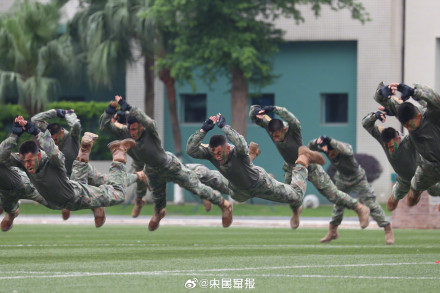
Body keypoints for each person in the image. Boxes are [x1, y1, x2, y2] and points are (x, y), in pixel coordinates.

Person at [99, 96, 233, 231]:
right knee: (158, 200)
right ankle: (159, 213)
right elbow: (104, 126)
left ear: (142, 127)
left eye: (135, 129)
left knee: (197, 187)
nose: (132, 132)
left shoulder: (150, 131)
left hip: (169, 165)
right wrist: (109, 111)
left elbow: (148, 121)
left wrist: (127, 107)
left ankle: (224, 204)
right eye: (130, 129)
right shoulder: (124, 132)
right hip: (152, 170)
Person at [186, 113, 325, 228]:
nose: (216, 157)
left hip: (260, 184)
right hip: (236, 188)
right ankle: (216, 200)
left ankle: (303, 159)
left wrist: (224, 127)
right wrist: (203, 130)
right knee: (194, 173)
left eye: (219, 153)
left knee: (296, 196)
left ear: (227, 148)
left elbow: (240, 142)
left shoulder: (237, 152)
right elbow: (191, 150)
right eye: (213, 153)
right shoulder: (211, 153)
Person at [0, 116, 137, 228]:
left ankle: (118, 154)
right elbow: (2, 156)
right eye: (24, 161)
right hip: (67, 192)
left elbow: (53, 151)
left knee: (119, 194)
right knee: (78, 180)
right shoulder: (24, 162)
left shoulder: (52, 161)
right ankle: (84, 150)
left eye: (30, 160)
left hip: (77, 196)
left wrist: (36, 132)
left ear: (39, 156)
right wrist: (14, 135)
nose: (27, 164)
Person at [249, 105, 370, 230]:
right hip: (291, 167)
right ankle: (296, 212)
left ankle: (360, 208)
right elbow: (254, 115)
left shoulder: (292, 130)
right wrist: (257, 110)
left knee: (332, 194)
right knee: (288, 195)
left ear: (283, 130)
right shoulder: (271, 127)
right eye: (272, 135)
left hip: (308, 164)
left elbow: (293, 120)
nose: (274, 137)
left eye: (277, 135)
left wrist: (273, 109)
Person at [363, 82, 440, 211]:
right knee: (411, 198)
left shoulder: (433, 116)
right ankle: (416, 192)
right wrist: (382, 92)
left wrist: (413, 92)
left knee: (432, 191)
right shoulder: (403, 113)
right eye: (405, 126)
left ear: (419, 116)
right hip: (429, 165)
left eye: (410, 125)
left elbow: (434, 98)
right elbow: (379, 98)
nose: (409, 129)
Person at [308, 136, 394, 245]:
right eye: (328, 153)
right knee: (338, 205)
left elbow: (347, 149)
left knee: (371, 203)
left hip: (357, 178)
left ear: (335, 147)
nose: (330, 155)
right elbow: (310, 146)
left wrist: (331, 141)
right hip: (342, 179)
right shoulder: (327, 149)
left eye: (332, 152)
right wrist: (317, 141)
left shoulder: (344, 149)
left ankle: (387, 229)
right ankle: (333, 231)